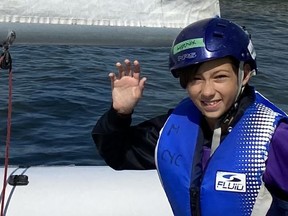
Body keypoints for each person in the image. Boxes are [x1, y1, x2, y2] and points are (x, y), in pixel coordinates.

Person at [92, 17, 288, 215]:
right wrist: (120, 113)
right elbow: (117, 153)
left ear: (244, 74)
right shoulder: (175, 128)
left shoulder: (272, 137)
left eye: (220, 77)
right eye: (196, 79)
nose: (207, 91)